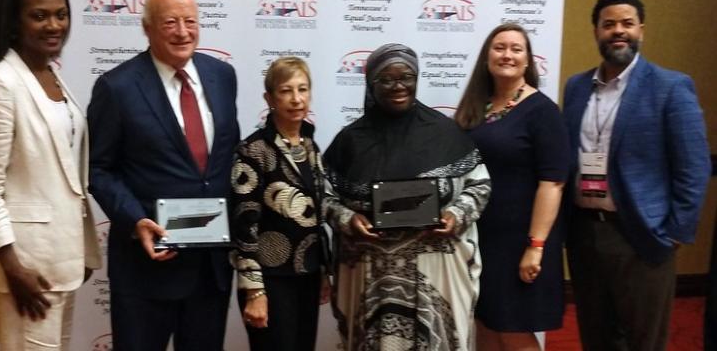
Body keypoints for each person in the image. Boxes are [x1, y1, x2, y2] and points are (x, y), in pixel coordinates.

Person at [87, 0, 239, 351]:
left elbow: (225, 160)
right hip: (147, 268)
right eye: (170, 22)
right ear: (147, 28)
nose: (183, 32)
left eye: (190, 21)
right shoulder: (117, 87)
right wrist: (134, 218)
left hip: (209, 270)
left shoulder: (223, 76)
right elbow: (99, 169)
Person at [563, 0, 710, 351]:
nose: (618, 31)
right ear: (596, 30)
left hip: (641, 235)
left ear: (641, 30)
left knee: (644, 339)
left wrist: (674, 232)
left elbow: (694, 166)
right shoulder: (577, 87)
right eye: (608, 23)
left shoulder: (670, 87)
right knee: (596, 336)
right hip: (584, 234)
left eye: (627, 23)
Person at [0, 0, 102, 349]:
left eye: (61, 14)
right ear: (13, 22)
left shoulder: (50, 74)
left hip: (59, 261)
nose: (54, 25)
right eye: (39, 16)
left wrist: (80, 249)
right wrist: (13, 268)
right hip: (24, 269)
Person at [323, 43, 491, 350]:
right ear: (371, 84)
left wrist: (456, 215)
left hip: (435, 271)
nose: (398, 86)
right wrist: (348, 219)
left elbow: (479, 185)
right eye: (387, 79)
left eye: (407, 77)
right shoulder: (350, 141)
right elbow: (324, 196)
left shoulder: (445, 134)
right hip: (372, 275)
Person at [454, 23, 569, 351]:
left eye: (516, 49)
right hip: (479, 238)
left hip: (521, 241)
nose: (507, 55)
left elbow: (553, 182)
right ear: (487, 57)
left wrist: (536, 245)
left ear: (528, 60)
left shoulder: (542, 111)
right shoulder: (477, 106)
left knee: (514, 331)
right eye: (499, 47)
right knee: (486, 324)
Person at [230, 56, 338, 351]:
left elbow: (316, 217)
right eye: (286, 91)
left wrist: (323, 271)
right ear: (270, 98)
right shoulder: (253, 150)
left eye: (303, 90)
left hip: (307, 274)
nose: (296, 99)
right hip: (271, 279)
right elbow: (243, 225)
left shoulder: (310, 146)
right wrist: (254, 290)